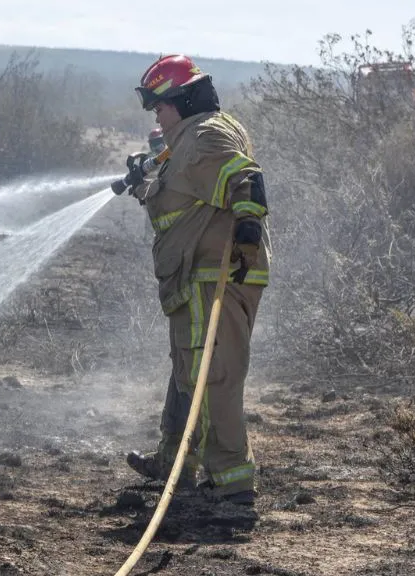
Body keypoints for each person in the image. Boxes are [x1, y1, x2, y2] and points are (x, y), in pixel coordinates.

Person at [121, 54, 271, 506]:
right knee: (187, 371)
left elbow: (245, 179)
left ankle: (231, 482)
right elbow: (181, 193)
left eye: (160, 106)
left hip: (214, 274)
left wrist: (247, 229)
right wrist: (144, 183)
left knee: (213, 375)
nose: (156, 115)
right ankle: (176, 463)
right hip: (193, 276)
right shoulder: (188, 138)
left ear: (183, 100)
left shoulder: (205, 135)